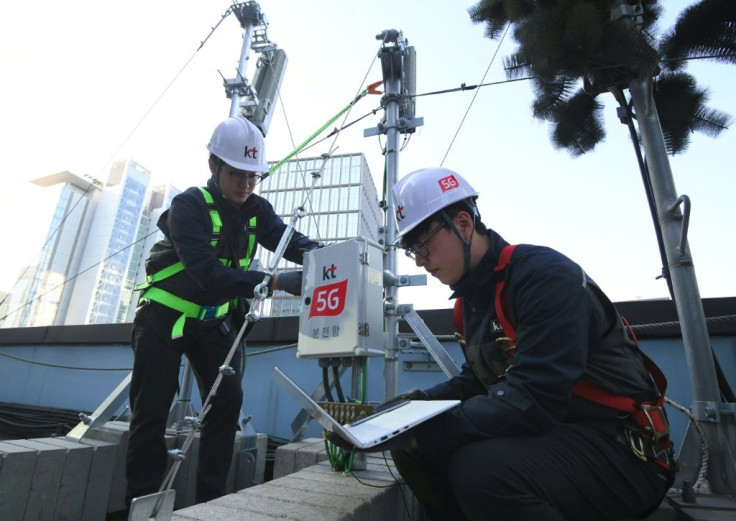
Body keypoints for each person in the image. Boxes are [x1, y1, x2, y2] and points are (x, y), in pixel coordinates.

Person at [330, 167, 676, 520]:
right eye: (410, 249)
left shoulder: (543, 278)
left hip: (623, 451)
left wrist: (427, 429)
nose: (419, 259)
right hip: (560, 436)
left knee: (481, 471)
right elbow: (477, 381)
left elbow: (535, 398)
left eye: (422, 243)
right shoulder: (469, 304)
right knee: (414, 452)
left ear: (463, 224)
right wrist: (410, 410)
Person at [125, 116, 319, 506]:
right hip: (165, 317)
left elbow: (288, 241)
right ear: (214, 166)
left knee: (226, 403)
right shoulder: (188, 206)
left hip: (213, 321)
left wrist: (329, 256)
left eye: (253, 176)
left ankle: (209, 502)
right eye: (237, 174)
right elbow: (206, 274)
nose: (246, 184)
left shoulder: (256, 210)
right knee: (151, 408)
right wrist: (278, 282)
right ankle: (142, 501)